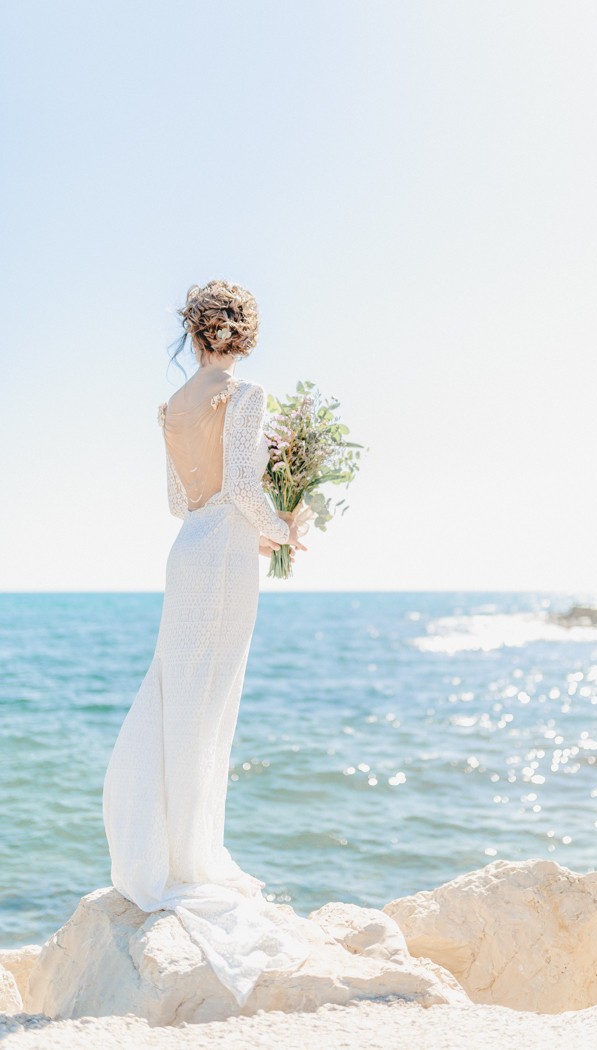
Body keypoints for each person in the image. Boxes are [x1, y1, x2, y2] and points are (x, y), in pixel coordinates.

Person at [102, 280, 310, 1007]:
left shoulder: (172, 408)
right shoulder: (246, 393)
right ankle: (193, 855)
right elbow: (248, 490)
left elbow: (179, 500)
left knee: (181, 692)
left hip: (189, 550)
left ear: (194, 334)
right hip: (223, 556)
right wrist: (288, 528)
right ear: (243, 334)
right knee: (212, 702)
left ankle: (171, 847)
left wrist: (247, 521)